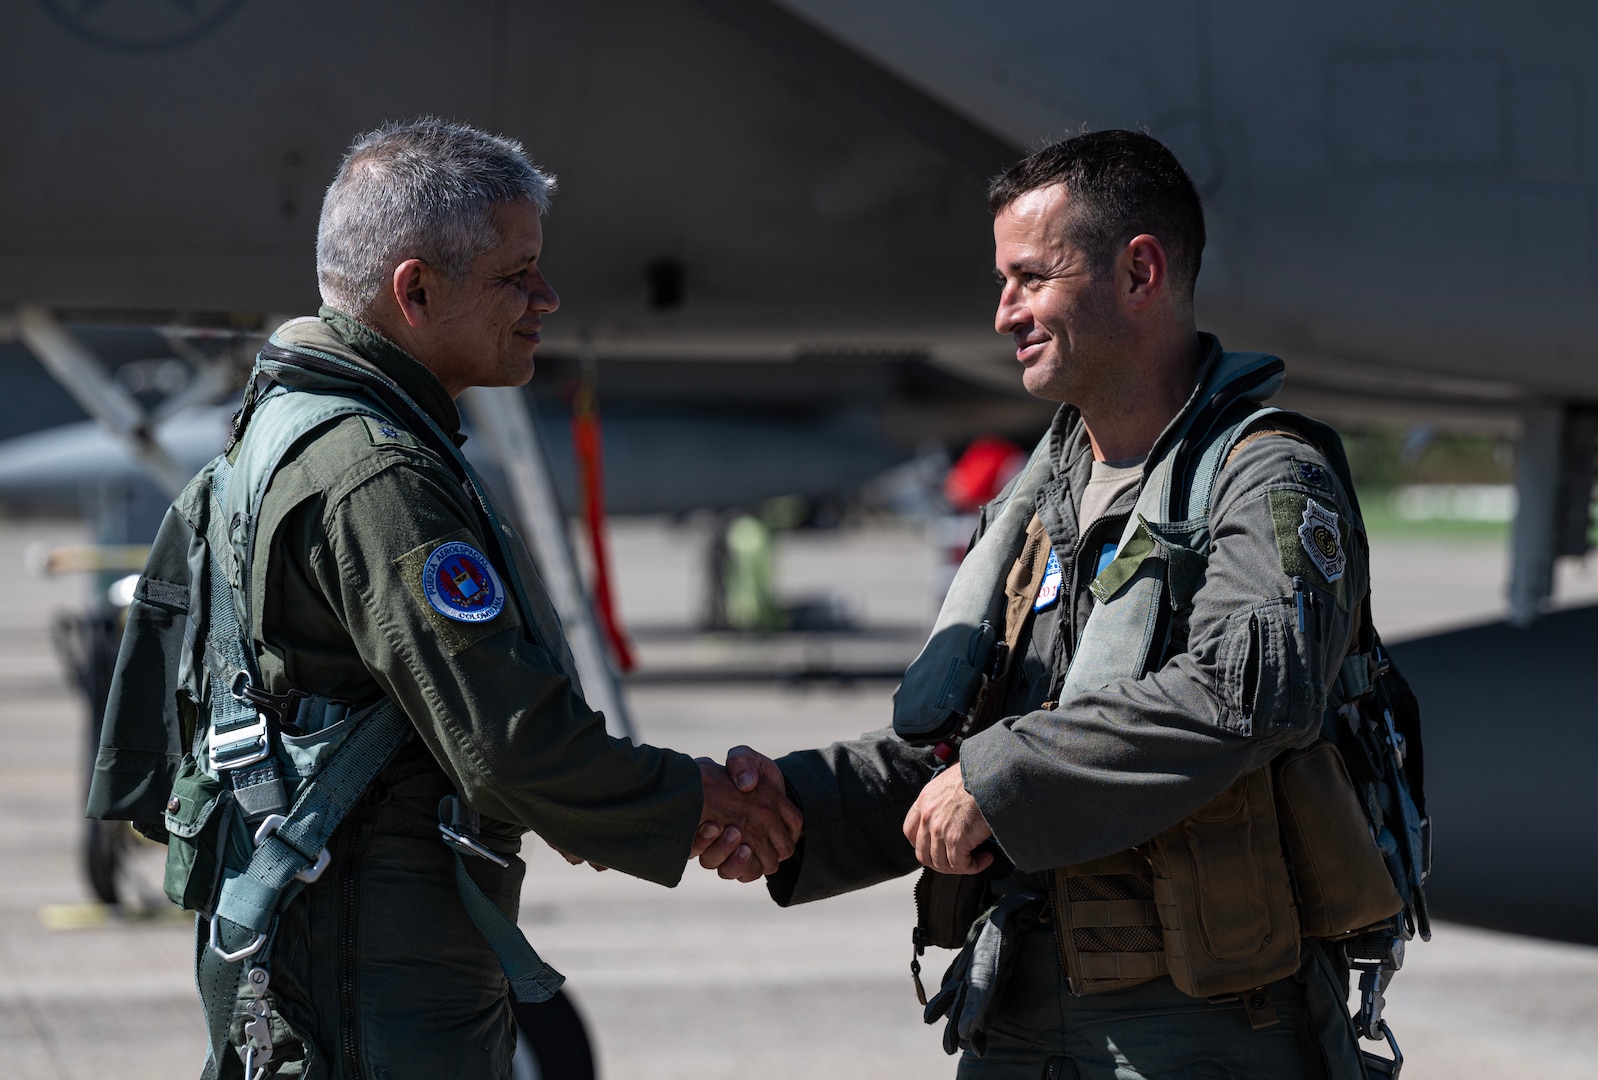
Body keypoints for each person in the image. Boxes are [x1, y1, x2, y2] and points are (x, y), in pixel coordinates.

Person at [88, 118, 797, 1080]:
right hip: (370, 982)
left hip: (306, 954)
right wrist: (693, 801)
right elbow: (509, 745)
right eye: (516, 275)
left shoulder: (273, 438)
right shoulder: (376, 476)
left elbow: (149, 755)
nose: (546, 299)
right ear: (414, 290)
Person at [716, 130, 1382, 1078]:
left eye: (1030, 278)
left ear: (1139, 272)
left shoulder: (1266, 476)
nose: (1002, 313)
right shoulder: (1043, 506)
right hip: (1019, 1014)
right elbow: (960, 748)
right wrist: (789, 807)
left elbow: (1250, 690)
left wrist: (1001, 778)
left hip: (1201, 1032)